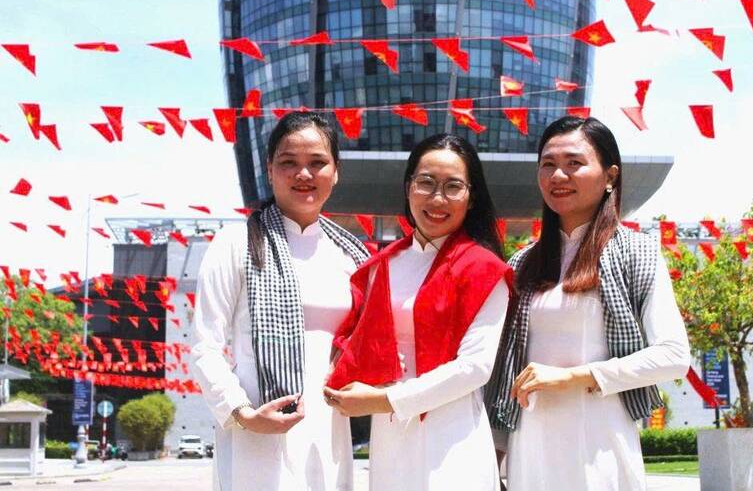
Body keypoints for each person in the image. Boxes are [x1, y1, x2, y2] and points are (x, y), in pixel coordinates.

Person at [485, 116, 691, 491]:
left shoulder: (637, 252)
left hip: (600, 439)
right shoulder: (522, 263)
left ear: (610, 175)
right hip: (530, 445)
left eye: (573, 163)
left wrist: (574, 377)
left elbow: (674, 354)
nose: (557, 176)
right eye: (547, 165)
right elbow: (505, 371)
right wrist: (495, 457)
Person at [191, 112, 370, 491]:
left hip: (330, 428)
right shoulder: (235, 244)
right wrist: (242, 413)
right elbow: (205, 346)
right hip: (256, 426)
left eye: (317, 163)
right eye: (289, 163)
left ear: (336, 172)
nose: (303, 174)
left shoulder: (353, 257)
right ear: (270, 171)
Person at [323, 134, 514, 491]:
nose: (437, 198)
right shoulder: (382, 265)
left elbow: (475, 367)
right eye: (426, 182)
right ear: (408, 187)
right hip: (390, 433)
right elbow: (356, 341)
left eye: (453, 186)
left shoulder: (484, 269)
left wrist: (385, 399)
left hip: (451, 433)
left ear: (471, 198)